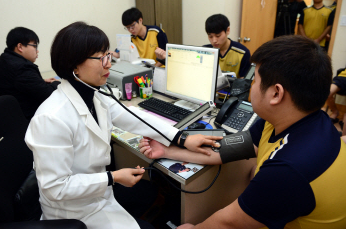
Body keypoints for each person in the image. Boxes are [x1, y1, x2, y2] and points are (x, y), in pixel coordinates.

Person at [25, 21, 221, 229]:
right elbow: (55, 188)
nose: (109, 64)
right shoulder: (51, 118)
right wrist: (113, 177)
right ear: (74, 66)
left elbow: (136, 117)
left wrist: (182, 138)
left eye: (107, 55)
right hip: (72, 213)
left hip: (99, 196)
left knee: (154, 195)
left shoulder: (96, 96)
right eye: (101, 58)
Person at [139, 35, 346, 228]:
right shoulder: (296, 120)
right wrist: (167, 152)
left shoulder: (288, 171)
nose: (250, 86)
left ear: (276, 93)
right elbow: (223, 150)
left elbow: (227, 223)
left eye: (254, 79)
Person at [0, 27, 60, 121]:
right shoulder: (22, 68)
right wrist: (58, 83)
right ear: (20, 47)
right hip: (25, 119)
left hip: (8, 116)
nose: (37, 51)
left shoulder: (6, 58)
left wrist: (40, 81)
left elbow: (19, 82)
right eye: (34, 46)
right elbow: (48, 94)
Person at [204, 14, 251, 78]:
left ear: (228, 30)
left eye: (218, 36)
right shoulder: (205, 51)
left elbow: (244, 82)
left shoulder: (243, 53)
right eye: (210, 36)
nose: (214, 40)